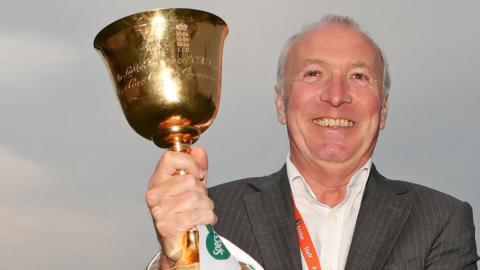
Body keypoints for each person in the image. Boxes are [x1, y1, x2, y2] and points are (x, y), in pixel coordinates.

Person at [145, 14, 479, 270]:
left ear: (385, 109)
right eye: (313, 74)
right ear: (281, 103)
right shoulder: (213, 215)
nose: (336, 96)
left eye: (359, 77)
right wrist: (175, 261)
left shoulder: (440, 220)